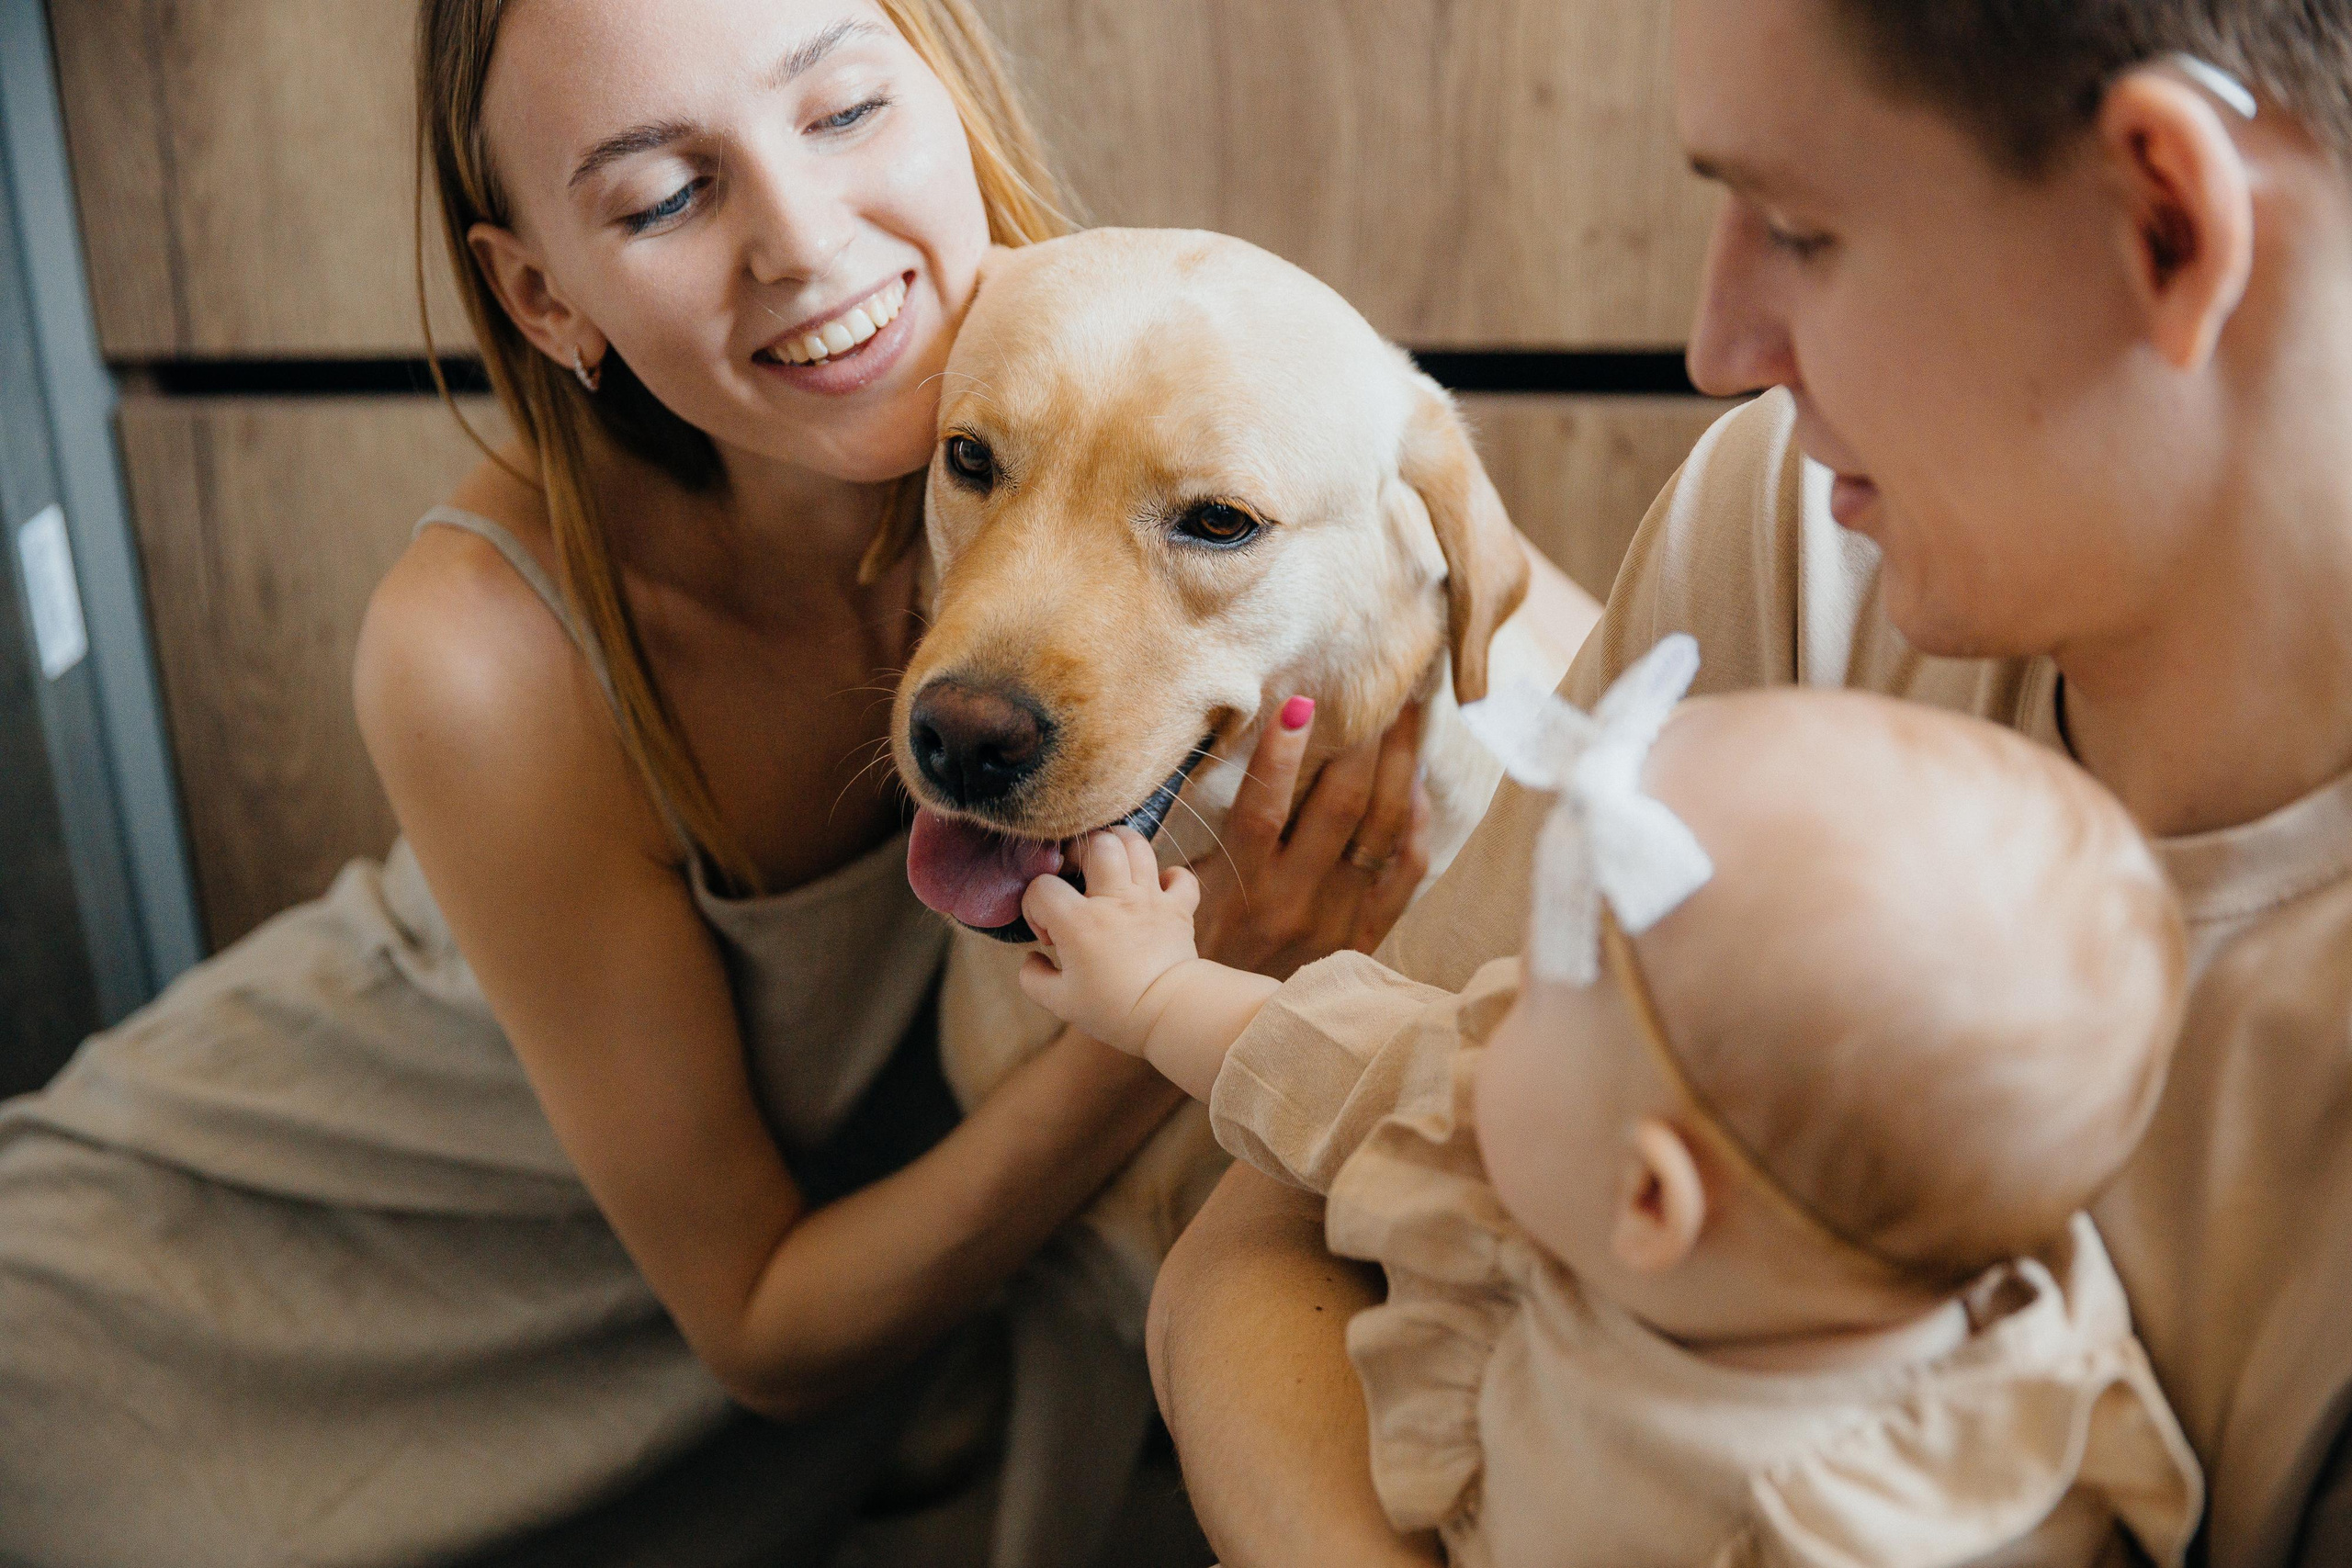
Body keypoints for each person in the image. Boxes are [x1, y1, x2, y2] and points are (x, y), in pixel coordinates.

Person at [0, 1, 1437, 1562]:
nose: (808, 247)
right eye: (664, 195)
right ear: (546, 295)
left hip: (808, 1393)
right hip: (220, 1310)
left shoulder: (1131, 370)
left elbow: (1543, 626)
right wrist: (1190, 999)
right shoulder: (478, 643)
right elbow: (764, 1324)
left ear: (948, 98)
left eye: (839, 112)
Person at [1148, 4, 2352, 1567]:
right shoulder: (1808, 520)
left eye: (1799, 228)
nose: (1723, 344)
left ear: (2169, 220)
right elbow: (1288, 1223)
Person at [1022, 640, 2202, 1566]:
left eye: (1538, 992)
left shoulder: (1892, 1521)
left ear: (1650, 1196)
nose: (1485, 1001)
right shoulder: (1611, 1139)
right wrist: (1154, 986)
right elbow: (1356, 1062)